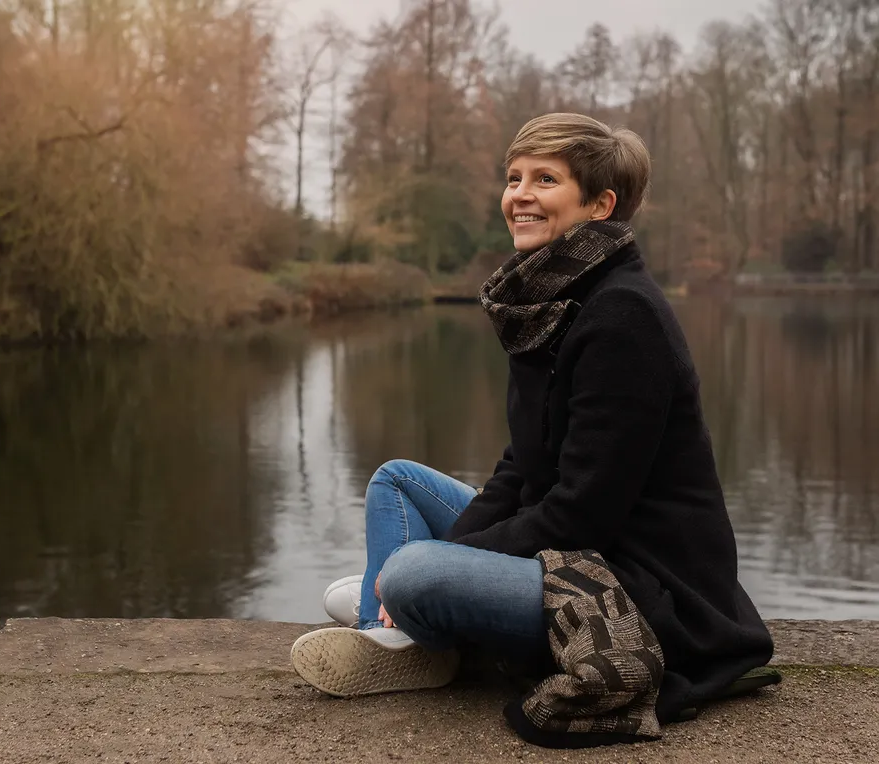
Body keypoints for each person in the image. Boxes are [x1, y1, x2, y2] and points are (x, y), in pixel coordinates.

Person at [291, 113, 774, 728]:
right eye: (514, 176)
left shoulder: (623, 317)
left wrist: (437, 567)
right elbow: (520, 466)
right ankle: (400, 633)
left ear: (601, 205)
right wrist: (455, 560)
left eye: (545, 179)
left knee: (410, 572)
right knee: (397, 483)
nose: (519, 194)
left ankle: (402, 623)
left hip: (636, 588)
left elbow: (582, 514)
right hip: (573, 553)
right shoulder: (550, 301)